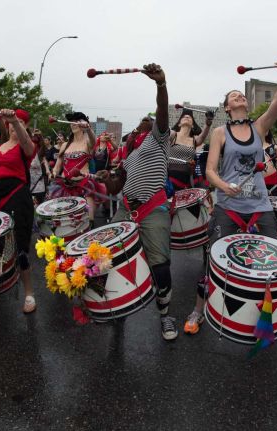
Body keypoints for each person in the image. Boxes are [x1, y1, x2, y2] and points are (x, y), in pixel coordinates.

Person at [180, 61, 277, 336]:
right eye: (233, 96)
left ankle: (268, 316)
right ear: (227, 107)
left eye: (240, 95)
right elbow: (210, 171)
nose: (239, 97)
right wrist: (223, 186)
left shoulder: (259, 127)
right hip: (228, 206)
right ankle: (199, 309)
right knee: (212, 260)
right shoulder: (220, 133)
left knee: (273, 263)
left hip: (260, 206)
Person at [95, 63, 177, 340]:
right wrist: (107, 178)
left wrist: (161, 85)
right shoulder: (130, 156)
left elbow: (162, 114)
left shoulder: (160, 140)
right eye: (138, 128)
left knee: (160, 264)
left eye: (147, 124)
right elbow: (118, 185)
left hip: (153, 208)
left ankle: (165, 314)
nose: (143, 128)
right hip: (126, 209)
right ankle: (115, 307)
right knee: (109, 259)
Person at [0, 109, 37, 313]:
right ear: (5, 125)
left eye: (20, 122)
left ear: (25, 126)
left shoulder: (25, 147)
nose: (14, 125)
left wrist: (15, 121)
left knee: (20, 247)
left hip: (16, 197)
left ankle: (28, 292)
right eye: (11, 122)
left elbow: (27, 146)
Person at [51, 112, 100, 227]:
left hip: (84, 187)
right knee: (63, 224)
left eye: (77, 121)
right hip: (64, 187)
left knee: (87, 222)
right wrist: (53, 172)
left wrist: (88, 129)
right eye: (71, 122)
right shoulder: (65, 145)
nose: (73, 124)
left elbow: (94, 142)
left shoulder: (88, 143)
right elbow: (58, 166)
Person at [168, 108, 213, 191]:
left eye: (189, 117)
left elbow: (202, 136)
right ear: (179, 124)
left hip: (188, 179)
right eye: (184, 117)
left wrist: (208, 124)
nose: (187, 117)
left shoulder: (194, 140)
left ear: (192, 125)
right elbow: (163, 130)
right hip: (171, 178)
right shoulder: (173, 135)